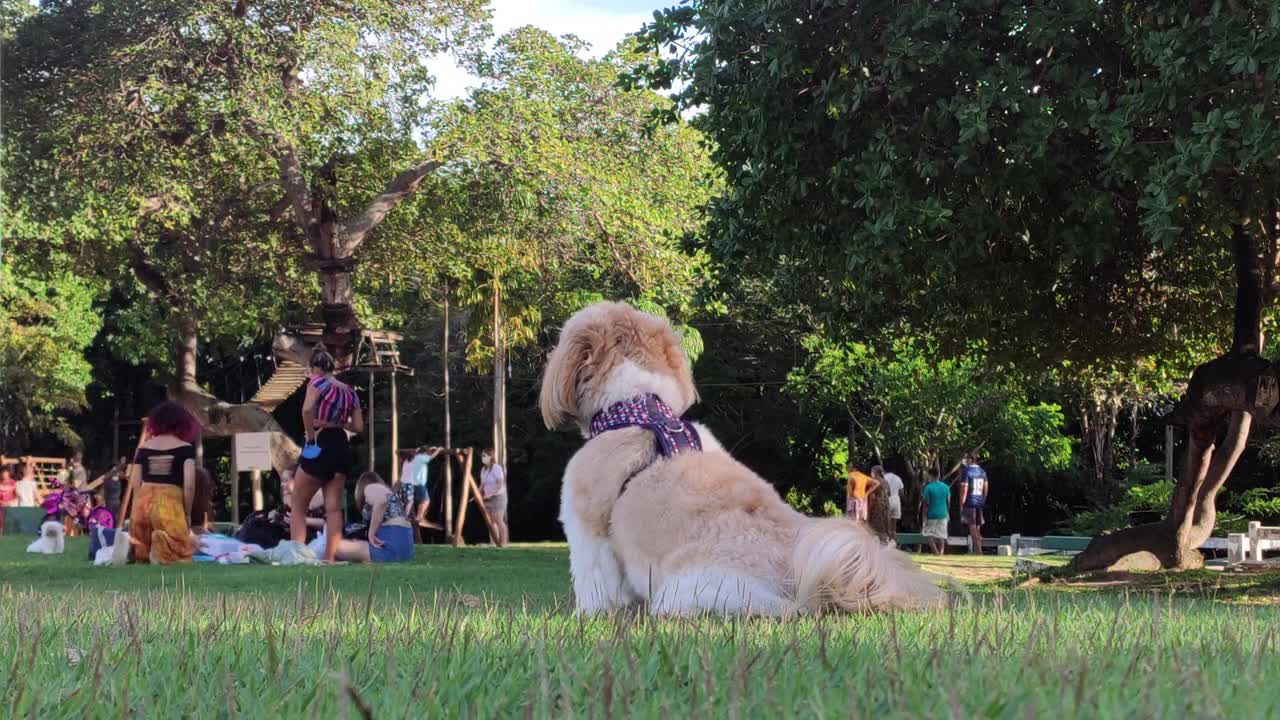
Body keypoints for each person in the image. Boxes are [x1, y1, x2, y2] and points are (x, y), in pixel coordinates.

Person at [292, 346, 364, 563]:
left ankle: (298, 557)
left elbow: (306, 410)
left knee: (298, 505)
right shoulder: (350, 392)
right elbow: (358, 427)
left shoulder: (317, 383)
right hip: (341, 446)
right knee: (333, 509)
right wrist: (336, 422)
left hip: (320, 443)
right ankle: (330, 559)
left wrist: (311, 434)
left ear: (314, 367)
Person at [129, 401, 199, 564]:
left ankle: (142, 552)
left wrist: (136, 505)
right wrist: (187, 512)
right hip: (170, 502)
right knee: (177, 548)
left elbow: (135, 482)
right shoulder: (185, 448)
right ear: (183, 424)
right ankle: (161, 549)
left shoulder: (144, 448)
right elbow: (189, 484)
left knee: (141, 547)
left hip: (144, 499)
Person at [333, 471, 414, 563]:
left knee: (334, 546)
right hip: (406, 550)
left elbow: (381, 500)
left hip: (391, 547)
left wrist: (371, 534)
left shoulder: (371, 487)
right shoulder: (389, 494)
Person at [958, 452, 989, 555]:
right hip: (979, 502)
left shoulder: (966, 471)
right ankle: (977, 550)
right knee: (977, 527)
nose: (965, 461)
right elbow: (986, 487)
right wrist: (983, 499)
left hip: (970, 502)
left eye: (966, 459)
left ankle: (979, 551)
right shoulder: (982, 471)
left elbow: (964, 488)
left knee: (972, 527)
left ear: (970, 460)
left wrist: (961, 503)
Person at [406, 445, 441, 528]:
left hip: (415, 483)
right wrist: (438, 450)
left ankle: (419, 517)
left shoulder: (416, 457)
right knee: (426, 501)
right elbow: (431, 457)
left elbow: (418, 450)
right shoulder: (421, 458)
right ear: (424, 453)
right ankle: (419, 518)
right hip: (419, 483)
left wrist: (431, 448)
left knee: (422, 501)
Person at [479, 448, 509, 546]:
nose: (482, 458)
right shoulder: (483, 470)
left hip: (498, 497)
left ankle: (503, 543)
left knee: (498, 519)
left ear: (490, 457)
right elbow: (482, 485)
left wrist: (491, 493)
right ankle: (493, 543)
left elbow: (500, 483)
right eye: (482, 456)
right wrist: (478, 494)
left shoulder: (496, 468)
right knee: (491, 521)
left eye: (484, 456)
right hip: (487, 498)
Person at [920, 472, 951, 555]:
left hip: (932, 514)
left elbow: (926, 504)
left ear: (931, 476)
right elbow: (948, 502)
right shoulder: (946, 487)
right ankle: (941, 553)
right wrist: (947, 512)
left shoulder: (928, 487)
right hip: (943, 514)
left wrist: (924, 515)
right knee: (941, 535)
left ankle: (936, 552)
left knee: (929, 535)